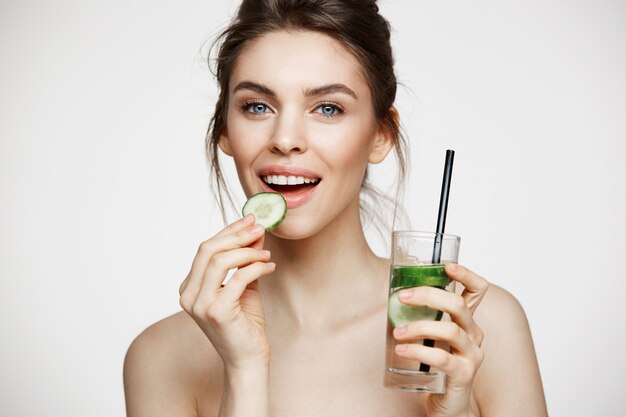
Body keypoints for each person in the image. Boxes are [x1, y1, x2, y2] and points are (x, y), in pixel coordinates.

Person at [123, 1, 548, 416]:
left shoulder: (474, 330)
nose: (286, 138)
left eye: (328, 108)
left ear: (381, 134)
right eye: (257, 106)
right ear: (225, 131)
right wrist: (245, 373)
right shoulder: (162, 359)